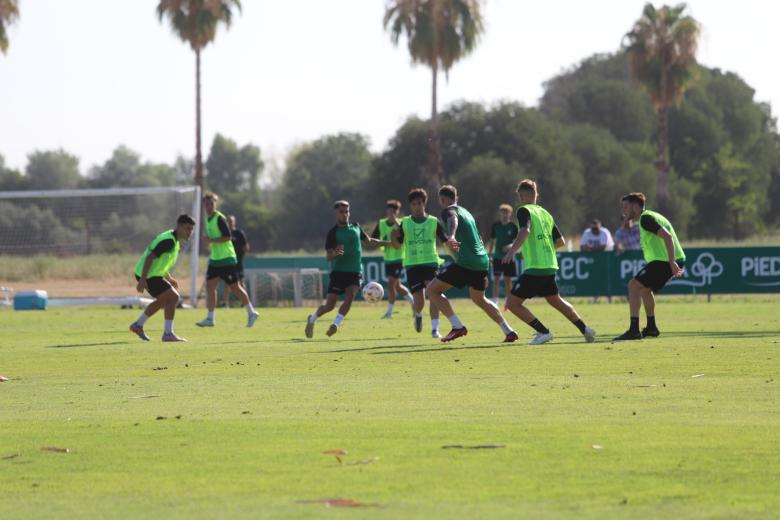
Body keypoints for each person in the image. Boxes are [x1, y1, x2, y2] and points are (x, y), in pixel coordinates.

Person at [502, 180, 596, 345]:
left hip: (535, 267)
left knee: (512, 303)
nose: (518, 199)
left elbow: (525, 230)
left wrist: (512, 251)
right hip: (549, 265)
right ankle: (585, 329)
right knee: (555, 300)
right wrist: (543, 247)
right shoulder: (545, 214)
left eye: (519, 196)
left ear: (523, 195)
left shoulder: (524, 210)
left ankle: (543, 332)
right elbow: (560, 242)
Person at [426, 185, 518, 343]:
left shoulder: (449, 210)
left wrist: (452, 235)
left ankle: (457, 326)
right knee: (479, 299)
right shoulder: (467, 213)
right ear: (457, 198)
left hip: (466, 262)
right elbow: (479, 238)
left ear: (442, 200)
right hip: (481, 261)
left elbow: (452, 218)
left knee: (432, 290)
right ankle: (508, 330)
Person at [305, 200, 388, 338]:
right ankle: (312, 319)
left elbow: (369, 241)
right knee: (329, 306)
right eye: (341, 212)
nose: (345, 214)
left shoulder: (356, 227)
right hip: (339, 272)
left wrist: (388, 243)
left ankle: (335, 324)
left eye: (347, 211)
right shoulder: (333, 233)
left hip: (355, 271)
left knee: (351, 295)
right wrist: (335, 254)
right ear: (336, 214)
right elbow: (328, 257)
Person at [614, 192, 686, 340]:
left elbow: (667, 236)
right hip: (666, 260)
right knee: (645, 290)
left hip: (665, 261)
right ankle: (651, 328)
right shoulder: (648, 217)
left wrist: (672, 262)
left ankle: (634, 330)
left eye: (626, 207)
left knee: (633, 285)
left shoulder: (646, 218)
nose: (624, 211)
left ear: (635, 206)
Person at [390, 188, 449, 338]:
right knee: (420, 300)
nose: (417, 206)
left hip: (431, 262)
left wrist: (455, 247)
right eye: (414, 204)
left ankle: (435, 329)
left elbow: (445, 240)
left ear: (424, 203)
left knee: (434, 294)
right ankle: (418, 314)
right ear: (410, 206)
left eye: (419, 203)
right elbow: (398, 245)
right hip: (412, 265)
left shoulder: (433, 221)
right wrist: (393, 237)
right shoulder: (405, 223)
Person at [129, 214, 195, 342]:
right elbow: (150, 258)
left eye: (191, 229)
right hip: (148, 275)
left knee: (164, 300)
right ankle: (168, 333)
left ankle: (138, 325)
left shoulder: (174, 241)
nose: (190, 232)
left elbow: (161, 263)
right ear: (179, 226)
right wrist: (142, 279)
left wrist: (169, 278)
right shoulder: (168, 240)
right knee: (173, 297)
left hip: (151, 274)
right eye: (188, 228)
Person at [196, 193, 259, 328]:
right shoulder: (208, 220)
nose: (209, 206)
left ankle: (251, 312)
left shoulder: (219, 218)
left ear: (215, 204)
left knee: (235, 287)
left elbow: (227, 237)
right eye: (206, 204)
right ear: (203, 205)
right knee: (210, 287)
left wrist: (211, 240)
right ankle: (210, 318)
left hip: (226, 259)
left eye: (211, 204)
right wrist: (209, 243)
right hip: (215, 259)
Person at [371, 200, 414, 318]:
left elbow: (406, 238)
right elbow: (373, 240)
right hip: (388, 259)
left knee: (390, 285)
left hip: (399, 259)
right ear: (386, 211)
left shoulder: (401, 224)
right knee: (397, 287)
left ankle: (389, 313)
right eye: (390, 210)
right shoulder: (381, 223)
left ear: (398, 212)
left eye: (394, 211)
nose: (391, 213)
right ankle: (413, 302)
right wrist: (385, 243)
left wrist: (397, 223)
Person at [486, 204, 519, 307]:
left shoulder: (513, 226)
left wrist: (510, 246)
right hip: (497, 257)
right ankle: (495, 301)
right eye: (502, 213)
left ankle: (508, 302)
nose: (504, 215)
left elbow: (518, 242)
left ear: (510, 214)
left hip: (509, 258)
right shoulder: (495, 225)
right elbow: (492, 241)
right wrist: (490, 255)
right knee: (496, 279)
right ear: (500, 214)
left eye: (506, 213)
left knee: (508, 280)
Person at [222, 215, 249, 307]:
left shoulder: (239, 233)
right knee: (227, 283)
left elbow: (245, 247)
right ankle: (225, 303)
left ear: (234, 222)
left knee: (241, 282)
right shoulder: (225, 234)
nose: (229, 223)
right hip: (228, 262)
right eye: (228, 221)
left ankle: (245, 302)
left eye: (231, 221)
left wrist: (241, 257)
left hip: (238, 262)